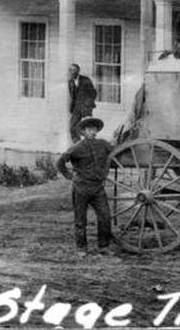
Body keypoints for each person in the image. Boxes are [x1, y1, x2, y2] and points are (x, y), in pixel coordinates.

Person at [57, 116, 113, 257]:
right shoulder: (77, 148)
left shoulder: (103, 144)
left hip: (97, 188)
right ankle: (81, 248)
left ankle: (103, 246)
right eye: (89, 129)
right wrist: (70, 177)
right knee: (80, 220)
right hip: (81, 188)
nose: (92, 131)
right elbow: (60, 162)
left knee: (105, 216)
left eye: (94, 128)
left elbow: (115, 153)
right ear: (83, 132)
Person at [68, 64, 97, 143]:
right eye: (70, 70)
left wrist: (88, 103)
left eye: (73, 70)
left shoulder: (85, 80)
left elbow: (93, 93)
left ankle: (90, 145)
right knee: (72, 127)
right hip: (76, 108)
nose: (71, 72)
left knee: (88, 128)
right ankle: (78, 145)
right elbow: (72, 96)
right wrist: (72, 107)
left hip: (86, 108)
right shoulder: (70, 82)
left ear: (78, 71)